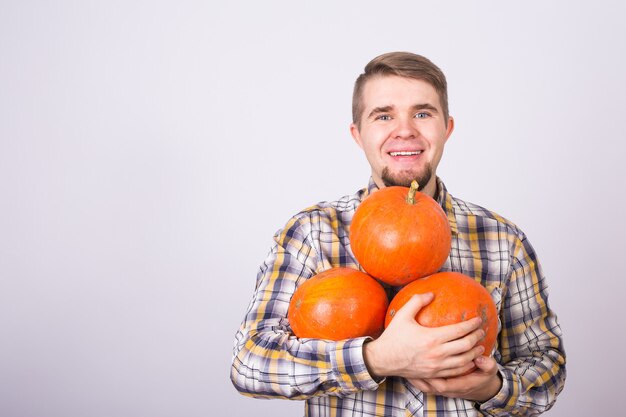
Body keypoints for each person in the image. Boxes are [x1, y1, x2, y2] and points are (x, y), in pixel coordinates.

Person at [230, 52, 566, 416]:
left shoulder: (502, 240)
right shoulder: (311, 233)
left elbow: (546, 368)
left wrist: (492, 387)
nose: (405, 130)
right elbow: (250, 363)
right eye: (384, 115)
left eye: (422, 113)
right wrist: (377, 358)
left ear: (447, 129)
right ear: (358, 134)